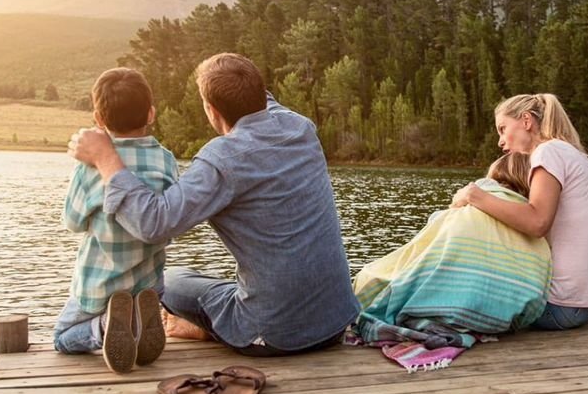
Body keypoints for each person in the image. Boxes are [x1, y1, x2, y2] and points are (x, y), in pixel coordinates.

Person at [68, 52, 359, 357]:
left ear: (212, 111)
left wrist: (105, 157)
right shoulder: (300, 127)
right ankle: (208, 327)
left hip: (275, 334)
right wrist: (228, 72)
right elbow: (256, 97)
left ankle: (213, 329)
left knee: (169, 282)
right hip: (336, 322)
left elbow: (153, 223)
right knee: (218, 284)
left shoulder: (222, 160)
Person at [350, 152, 551, 370]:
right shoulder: (535, 228)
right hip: (505, 319)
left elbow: (422, 250)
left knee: (371, 278)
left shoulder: (469, 206)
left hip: (457, 311)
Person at [54, 67, 178, 374]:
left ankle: (105, 325)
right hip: (149, 284)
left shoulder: (90, 166)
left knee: (62, 337)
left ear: (98, 119)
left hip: (99, 285)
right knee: (142, 297)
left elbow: (72, 221)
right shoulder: (166, 159)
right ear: (151, 114)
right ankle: (137, 323)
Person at [451, 93, 588, 330]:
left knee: (458, 301)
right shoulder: (570, 153)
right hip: (584, 305)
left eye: (503, 129)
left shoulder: (548, 151)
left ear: (526, 120)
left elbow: (537, 222)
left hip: (560, 306)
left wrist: (475, 196)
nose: (500, 141)